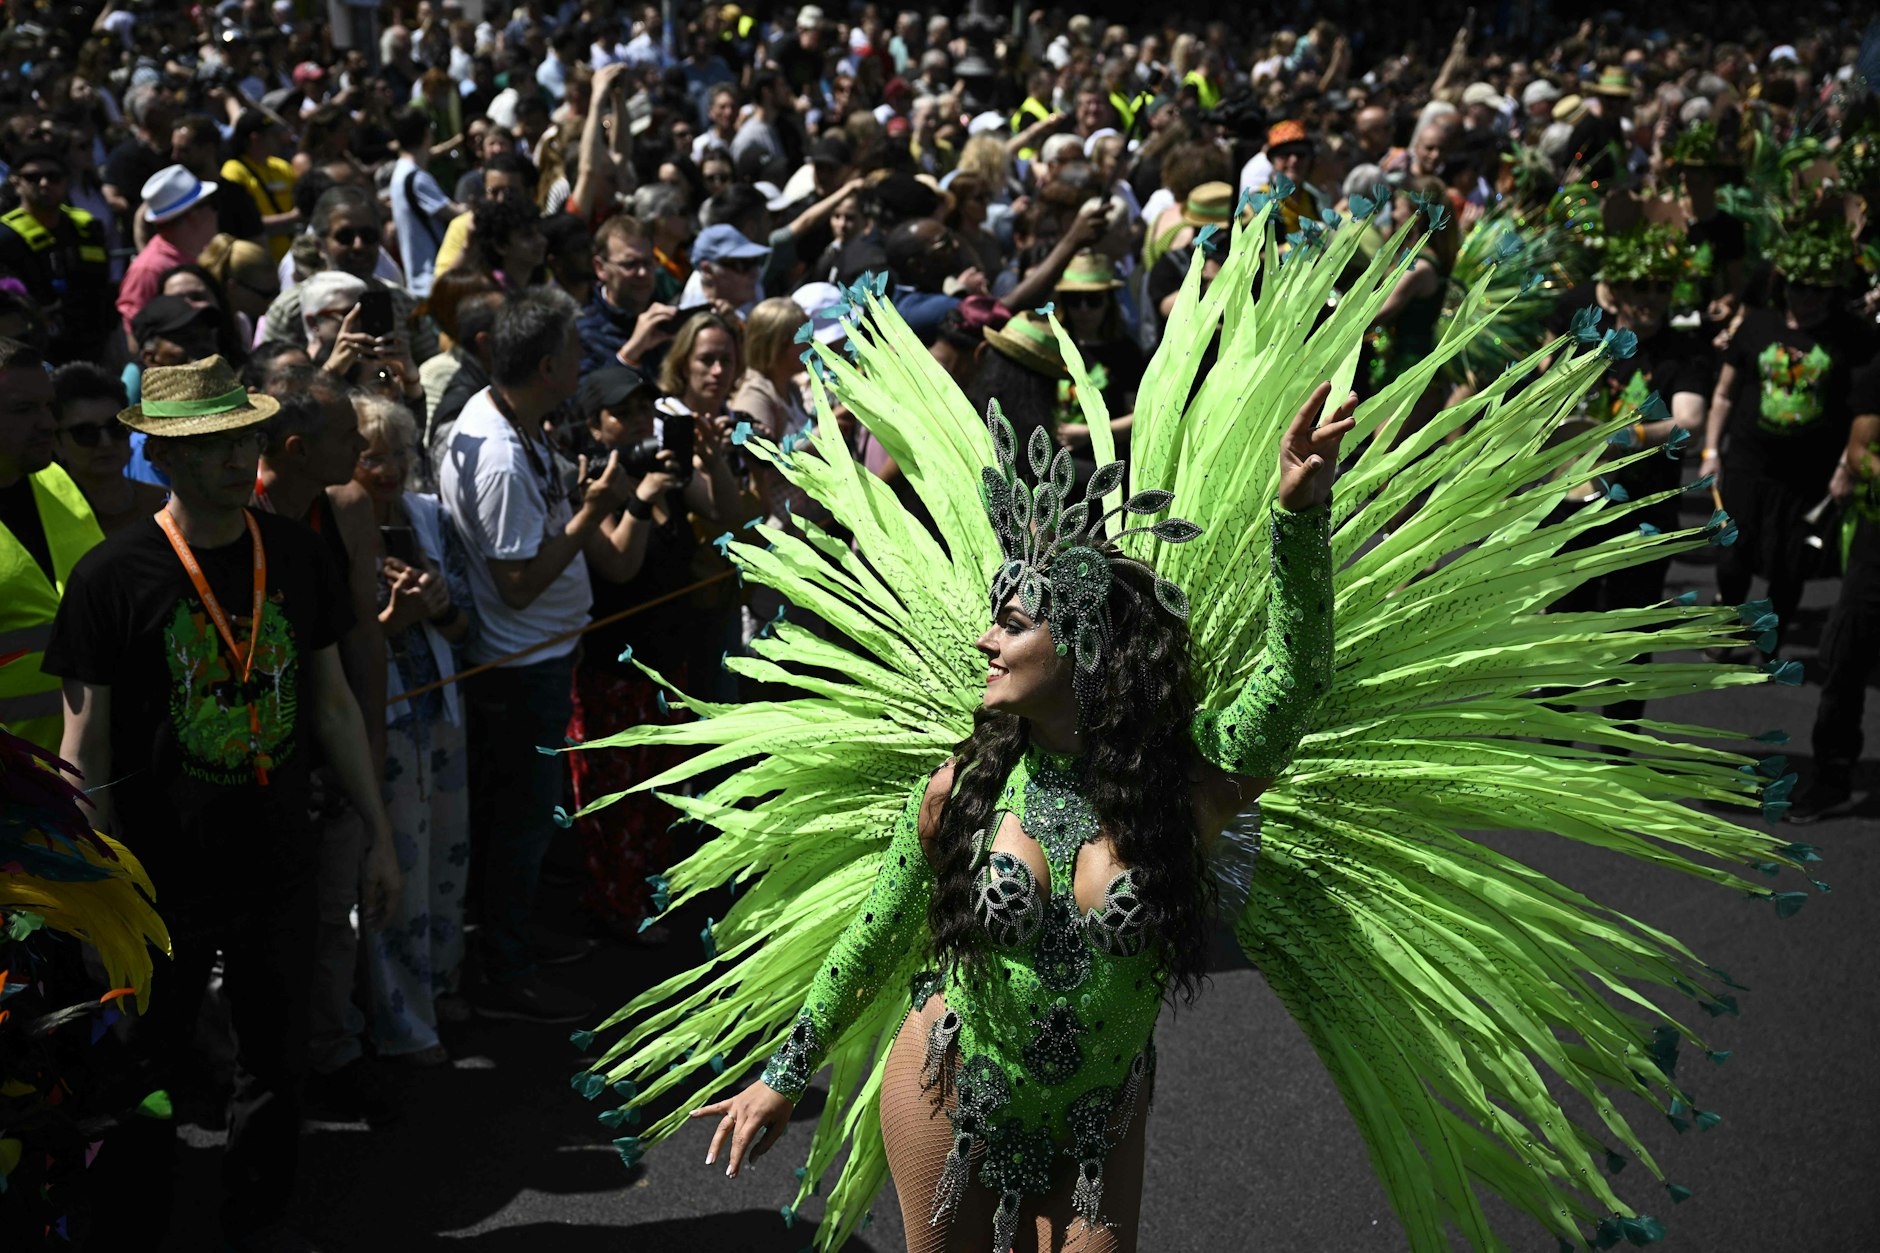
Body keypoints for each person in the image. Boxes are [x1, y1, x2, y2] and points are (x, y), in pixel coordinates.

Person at [574, 193, 1810, 1253]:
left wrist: (1295, 524)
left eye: (1013, 621)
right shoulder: (958, 783)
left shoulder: (1183, 791)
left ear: (1088, 647)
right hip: (950, 1081)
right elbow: (872, 930)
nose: (985, 638)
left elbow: (1292, 681)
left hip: (1101, 1105)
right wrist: (783, 1077)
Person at [44, 354, 398, 1252]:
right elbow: (80, 752)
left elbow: (330, 701)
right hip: (161, 877)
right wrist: (92, 892)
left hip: (280, 856)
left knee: (274, 1059)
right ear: (162, 457)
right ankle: (140, 1225)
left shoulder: (295, 550)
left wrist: (380, 835)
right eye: (211, 444)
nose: (239, 456)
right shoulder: (109, 579)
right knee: (145, 1068)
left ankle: (258, 1217)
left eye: (243, 434)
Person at [437, 288, 647, 1022]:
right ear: (552, 366)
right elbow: (518, 584)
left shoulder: (516, 424)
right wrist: (593, 508)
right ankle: (507, 968)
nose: (586, 362)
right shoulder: (496, 454)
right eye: (578, 353)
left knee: (528, 817)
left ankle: (517, 937)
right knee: (520, 823)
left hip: (540, 657)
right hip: (521, 665)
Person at [252, 366, 394, 1120]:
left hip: (330, 757)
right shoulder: (232, 518)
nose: (363, 444)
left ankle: (332, 1052)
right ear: (299, 448)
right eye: (347, 435)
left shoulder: (338, 512)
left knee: (339, 916)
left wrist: (369, 749)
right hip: (255, 767)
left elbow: (358, 649)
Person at [351, 393, 475, 1062]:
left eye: (400, 452)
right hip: (382, 723)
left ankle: (443, 984)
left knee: (448, 860)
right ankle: (402, 1020)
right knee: (394, 866)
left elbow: (466, 628)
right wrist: (391, 621)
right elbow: (339, 648)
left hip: (441, 712)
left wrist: (439, 602)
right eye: (373, 455)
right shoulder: (338, 525)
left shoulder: (428, 516)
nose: (390, 468)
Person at [565, 365, 698, 940]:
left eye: (647, 410)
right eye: (625, 413)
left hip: (668, 663)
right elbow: (618, 565)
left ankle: (656, 898)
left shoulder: (660, 472)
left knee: (664, 798)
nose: (641, 422)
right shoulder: (592, 483)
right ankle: (617, 914)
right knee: (619, 801)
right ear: (597, 426)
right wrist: (639, 500)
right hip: (614, 672)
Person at [0, 337, 104, 751]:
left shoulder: (58, 482)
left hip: (91, 773)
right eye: (24, 410)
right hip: (15, 790)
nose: (47, 423)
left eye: (48, 406)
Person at [0, 143, 114, 365]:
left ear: (67, 181)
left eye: (54, 177)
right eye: (33, 177)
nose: (44, 184)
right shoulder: (5, 237)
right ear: (16, 182)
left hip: (92, 344)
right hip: (35, 351)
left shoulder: (87, 228)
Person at [50, 361, 167, 536]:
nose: (106, 442)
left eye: (116, 427)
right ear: (56, 442)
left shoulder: (165, 505)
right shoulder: (47, 518)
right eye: (85, 433)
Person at [117, 165, 222, 343]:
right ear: (192, 215)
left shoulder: (193, 255)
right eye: (211, 204)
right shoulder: (147, 270)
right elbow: (136, 339)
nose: (216, 212)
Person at [579, 213, 680, 375]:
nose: (642, 273)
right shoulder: (582, 333)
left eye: (648, 262)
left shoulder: (667, 321)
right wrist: (631, 352)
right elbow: (585, 396)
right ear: (600, 268)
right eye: (630, 264)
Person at [388, 104, 465, 299]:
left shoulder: (399, 173)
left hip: (418, 280)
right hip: (434, 279)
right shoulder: (417, 178)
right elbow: (456, 215)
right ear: (427, 133)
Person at [219, 110, 302, 262]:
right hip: (263, 262)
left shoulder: (282, 166)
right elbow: (242, 223)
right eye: (273, 135)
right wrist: (292, 219)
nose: (280, 139)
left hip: (294, 257)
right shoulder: (234, 172)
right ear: (255, 138)